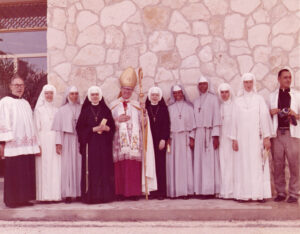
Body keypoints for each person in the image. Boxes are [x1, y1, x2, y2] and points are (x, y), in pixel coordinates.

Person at [110, 67, 157, 200]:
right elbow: (107, 122)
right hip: (119, 142)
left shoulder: (137, 105)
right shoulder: (114, 105)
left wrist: (144, 113)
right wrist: (117, 120)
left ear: (132, 91)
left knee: (133, 168)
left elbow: (144, 124)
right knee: (120, 167)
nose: (127, 92)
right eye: (125, 89)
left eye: (129, 90)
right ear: (121, 89)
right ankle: (120, 193)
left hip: (134, 143)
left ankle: (133, 193)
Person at [230, 73, 273, 202]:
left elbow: (264, 118)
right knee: (243, 165)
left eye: (250, 82)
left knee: (257, 165)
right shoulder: (237, 101)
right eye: (246, 82)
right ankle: (244, 194)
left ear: (253, 83)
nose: (248, 85)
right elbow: (233, 121)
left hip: (256, 138)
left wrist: (266, 137)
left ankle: (259, 194)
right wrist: (234, 139)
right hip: (241, 139)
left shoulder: (259, 99)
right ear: (242, 84)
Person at [0, 75, 39, 208]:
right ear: (11, 87)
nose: (19, 88)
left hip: (27, 145)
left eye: (21, 85)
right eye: (16, 85)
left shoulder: (25, 103)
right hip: (13, 144)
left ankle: (24, 199)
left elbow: (31, 124)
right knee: (14, 173)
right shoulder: (5, 101)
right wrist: (3, 142)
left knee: (25, 172)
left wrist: (35, 143)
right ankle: (12, 200)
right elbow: (2, 120)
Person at [76, 86, 115, 204]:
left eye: (96, 94)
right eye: (92, 94)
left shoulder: (106, 110)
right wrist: (94, 129)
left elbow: (112, 127)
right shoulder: (85, 111)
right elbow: (79, 129)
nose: (95, 96)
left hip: (104, 146)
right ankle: (91, 197)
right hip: (90, 146)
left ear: (100, 95)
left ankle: (104, 196)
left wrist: (107, 128)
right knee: (92, 170)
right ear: (89, 96)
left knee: (104, 169)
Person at [269, 68, 300, 203]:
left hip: (291, 134)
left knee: (294, 164)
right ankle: (280, 192)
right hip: (277, 134)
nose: (288, 80)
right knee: (278, 164)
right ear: (279, 79)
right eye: (285, 77)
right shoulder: (271, 96)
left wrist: (294, 114)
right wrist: (271, 112)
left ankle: (294, 193)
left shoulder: (297, 95)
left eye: (289, 77)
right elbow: (266, 117)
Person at [52, 86, 82, 203]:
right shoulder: (62, 110)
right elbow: (58, 129)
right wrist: (58, 143)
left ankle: (79, 193)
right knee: (68, 166)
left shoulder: (81, 108)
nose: (74, 96)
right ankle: (68, 194)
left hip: (79, 140)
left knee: (79, 165)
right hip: (67, 139)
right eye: (71, 94)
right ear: (67, 95)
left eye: (76, 94)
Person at [193, 76, 221, 198]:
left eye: (204, 84)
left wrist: (216, 135)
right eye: (200, 84)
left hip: (209, 133)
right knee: (199, 162)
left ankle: (209, 190)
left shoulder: (213, 99)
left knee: (209, 162)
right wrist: (192, 137)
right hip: (199, 133)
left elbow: (216, 117)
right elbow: (193, 120)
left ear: (208, 85)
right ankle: (200, 190)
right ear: (198, 86)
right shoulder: (196, 101)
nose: (202, 86)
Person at [166, 84, 195, 199]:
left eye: (179, 93)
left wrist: (192, 138)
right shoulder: (169, 108)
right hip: (173, 139)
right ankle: (175, 191)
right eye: (175, 93)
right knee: (174, 165)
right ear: (173, 95)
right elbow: (166, 125)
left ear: (183, 93)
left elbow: (194, 125)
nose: (178, 95)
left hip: (185, 139)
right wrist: (167, 137)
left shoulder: (189, 107)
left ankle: (186, 191)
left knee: (186, 165)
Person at [34, 84, 61, 202]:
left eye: (51, 93)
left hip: (54, 140)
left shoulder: (57, 110)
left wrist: (59, 142)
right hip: (43, 140)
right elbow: (36, 129)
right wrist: (38, 145)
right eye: (46, 93)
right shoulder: (38, 110)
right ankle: (44, 196)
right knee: (44, 168)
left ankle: (55, 195)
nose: (49, 95)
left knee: (55, 167)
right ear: (43, 95)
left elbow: (59, 128)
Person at [145, 87, 170, 200]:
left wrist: (164, 139)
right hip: (149, 141)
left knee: (160, 166)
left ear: (159, 96)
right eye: (153, 95)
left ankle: (161, 192)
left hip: (160, 141)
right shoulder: (146, 108)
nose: (154, 97)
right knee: (151, 165)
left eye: (156, 95)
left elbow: (166, 124)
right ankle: (152, 191)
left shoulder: (163, 109)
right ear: (150, 96)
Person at [217, 83, 235, 199]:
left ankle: (233, 191)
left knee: (232, 164)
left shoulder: (235, 105)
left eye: (226, 92)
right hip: (222, 139)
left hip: (232, 139)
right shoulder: (219, 107)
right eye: (222, 92)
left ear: (230, 92)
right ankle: (225, 191)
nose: (224, 95)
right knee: (223, 163)